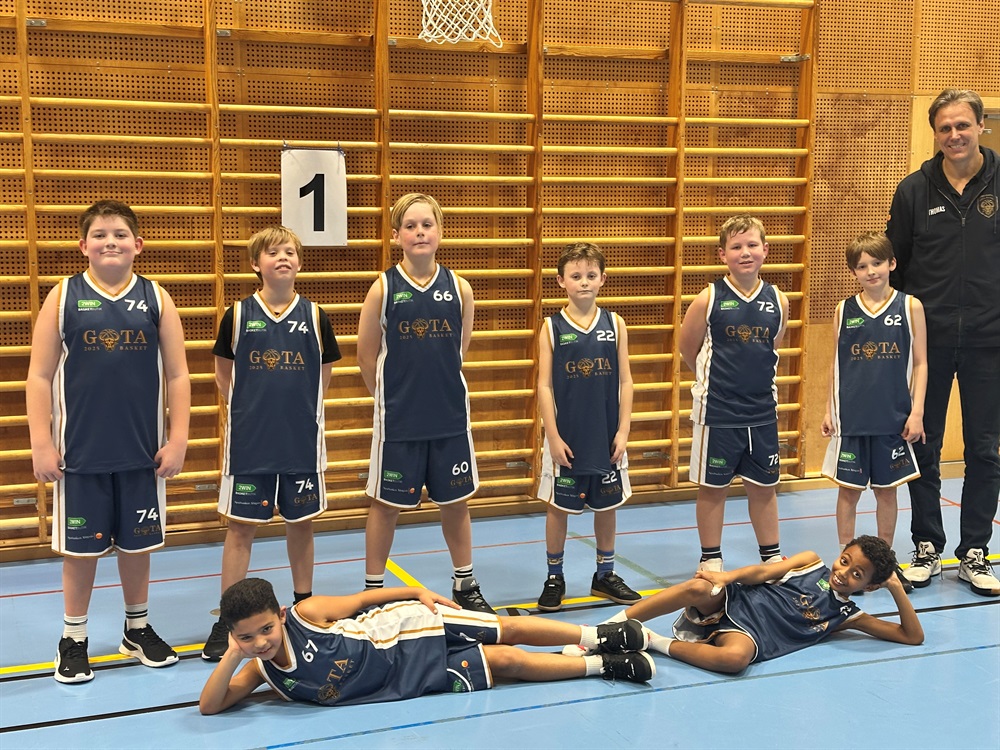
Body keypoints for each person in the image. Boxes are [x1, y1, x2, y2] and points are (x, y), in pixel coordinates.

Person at [26, 199, 191, 683]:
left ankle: (136, 629)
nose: (110, 242)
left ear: (138, 244)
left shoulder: (157, 298)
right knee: (80, 552)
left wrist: (179, 438)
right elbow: (38, 376)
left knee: (138, 545)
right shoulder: (63, 296)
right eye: (99, 235)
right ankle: (73, 637)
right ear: (83, 246)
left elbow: (179, 375)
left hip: (142, 453)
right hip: (79, 454)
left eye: (119, 234)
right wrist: (41, 442)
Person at [198, 578, 654, 713]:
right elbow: (210, 706)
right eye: (246, 636)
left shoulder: (306, 614)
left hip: (410, 627)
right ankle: (605, 666)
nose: (260, 642)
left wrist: (415, 592)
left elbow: (363, 600)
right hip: (413, 677)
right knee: (507, 662)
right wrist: (235, 654)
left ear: (280, 615)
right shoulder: (261, 669)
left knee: (505, 630)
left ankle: (597, 636)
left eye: (265, 629)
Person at [201, 226, 341, 661]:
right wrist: (251, 409)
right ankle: (228, 620)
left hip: (300, 441)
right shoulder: (238, 315)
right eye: (273, 252)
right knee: (240, 528)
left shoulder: (315, 315)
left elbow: (324, 375)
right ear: (255, 263)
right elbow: (224, 374)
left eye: (290, 252)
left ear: (299, 262)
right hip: (251, 442)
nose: (283, 258)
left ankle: (303, 608)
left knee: (301, 523)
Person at [886, 88, 1000, 597]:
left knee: (985, 450)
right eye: (945, 128)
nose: (954, 135)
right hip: (926, 346)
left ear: (980, 126)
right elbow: (896, 266)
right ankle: (927, 545)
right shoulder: (913, 190)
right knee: (923, 447)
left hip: (990, 341)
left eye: (962, 125)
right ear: (935, 133)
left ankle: (975, 550)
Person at [356, 193, 492, 612]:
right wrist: (389, 399)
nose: (419, 232)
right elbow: (365, 356)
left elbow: (459, 349)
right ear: (396, 235)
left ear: (440, 231)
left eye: (427, 225)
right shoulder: (383, 288)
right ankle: (374, 591)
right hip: (400, 420)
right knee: (385, 505)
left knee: (456, 502)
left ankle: (464, 583)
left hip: (449, 416)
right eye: (410, 226)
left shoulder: (460, 288)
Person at [579, 536, 923, 673]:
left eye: (857, 574)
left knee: (735, 660)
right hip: (741, 599)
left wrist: (895, 586)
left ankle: (651, 641)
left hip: (751, 635)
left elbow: (911, 636)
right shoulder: (811, 561)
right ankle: (607, 627)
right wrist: (727, 577)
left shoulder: (848, 615)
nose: (843, 573)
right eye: (845, 561)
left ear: (870, 586)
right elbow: (763, 572)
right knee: (699, 587)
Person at [677, 214, 789, 573]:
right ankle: (711, 557)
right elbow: (688, 348)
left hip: (761, 412)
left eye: (752, 245)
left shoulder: (778, 300)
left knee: (764, 487)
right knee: (713, 488)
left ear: (765, 250)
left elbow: (772, 348)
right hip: (718, 412)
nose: (745, 252)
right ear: (723, 254)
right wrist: (712, 382)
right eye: (736, 246)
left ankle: (771, 556)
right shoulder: (709, 298)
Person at [535, 243, 640, 612]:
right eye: (576, 275)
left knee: (607, 505)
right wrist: (552, 436)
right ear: (561, 281)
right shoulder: (551, 327)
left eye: (591, 275)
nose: (584, 282)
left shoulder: (615, 324)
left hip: (605, 434)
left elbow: (626, 381)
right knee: (558, 507)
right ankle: (554, 577)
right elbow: (544, 386)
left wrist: (623, 431)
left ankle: (605, 575)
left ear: (602, 279)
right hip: (567, 436)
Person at [821, 232, 927, 555]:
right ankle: (844, 556)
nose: (870, 271)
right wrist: (828, 409)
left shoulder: (910, 306)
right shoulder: (844, 309)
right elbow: (836, 364)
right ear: (853, 271)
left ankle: (883, 560)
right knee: (848, 492)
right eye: (862, 266)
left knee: (886, 492)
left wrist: (917, 412)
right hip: (852, 419)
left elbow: (921, 363)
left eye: (877, 263)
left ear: (892, 264)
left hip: (892, 418)